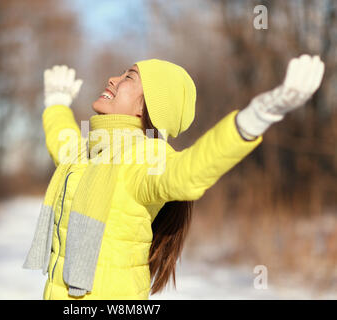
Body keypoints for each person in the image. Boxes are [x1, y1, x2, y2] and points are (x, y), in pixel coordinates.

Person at [23, 55, 325, 300]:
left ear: (147, 107)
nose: (112, 79)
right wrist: (56, 104)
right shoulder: (90, 153)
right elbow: (63, 143)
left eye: (128, 77)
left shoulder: (144, 159)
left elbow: (188, 172)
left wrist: (252, 120)